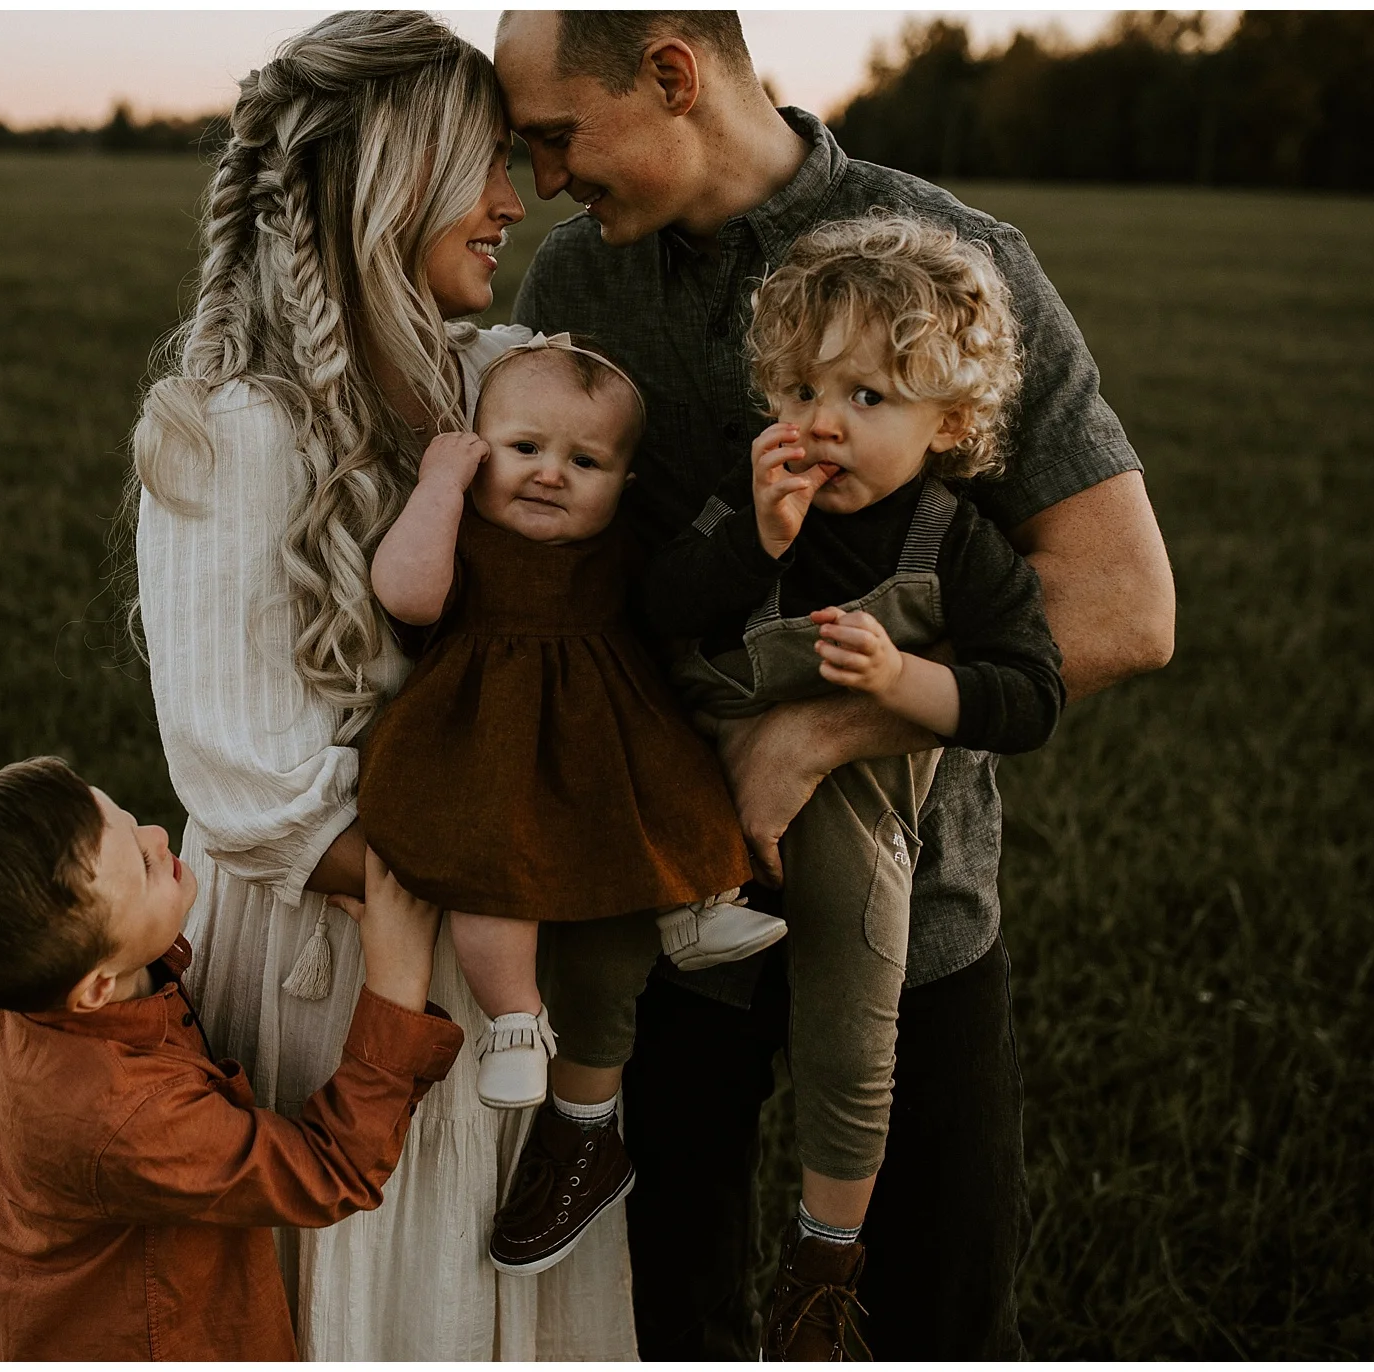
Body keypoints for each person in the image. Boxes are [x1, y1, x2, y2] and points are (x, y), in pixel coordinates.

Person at [496, 9, 1177, 1360]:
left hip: (919, 908)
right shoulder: (576, 288)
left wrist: (819, 731)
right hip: (668, 896)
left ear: (673, 76)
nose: (545, 185)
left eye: (557, 140)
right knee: (659, 1314)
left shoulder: (956, 261)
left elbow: (1125, 604)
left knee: (933, 1312)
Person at [129, 12, 637, 1359]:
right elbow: (253, 779)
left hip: (501, 943)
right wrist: (516, 862)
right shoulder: (235, 429)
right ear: (398, 176)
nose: (516, 202)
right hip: (336, 965)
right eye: (488, 164)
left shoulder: (491, 382)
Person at [645, 213, 1065, 1356]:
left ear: (949, 424)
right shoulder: (750, 507)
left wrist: (900, 687)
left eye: (869, 398)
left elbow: (1027, 694)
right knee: (676, 1156)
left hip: (859, 873)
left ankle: (824, 1256)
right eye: (802, 389)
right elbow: (653, 612)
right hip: (701, 862)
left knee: (856, 1037)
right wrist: (751, 546)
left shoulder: (955, 546)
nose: (821, 422)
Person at [358, 336, 770, 1274]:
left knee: (671, 780)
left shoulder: (617, 550)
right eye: (524, 449)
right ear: (478, 448)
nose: (551, 475)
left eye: (585, 462)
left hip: (600, 727)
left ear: (624, 482)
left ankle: (693, 905)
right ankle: (515, 1018)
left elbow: (679, 599)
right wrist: (438, 487)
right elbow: (409, 599)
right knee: (491, 865)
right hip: (483, 740)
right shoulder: (464, 531)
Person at [0, 756, 463, 1360]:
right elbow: (330, 1172)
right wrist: (396, 980)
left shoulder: (22, 981)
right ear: (95, 988)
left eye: (124, 816)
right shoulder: (125, 1113)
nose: (158, 835)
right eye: (144, 866)